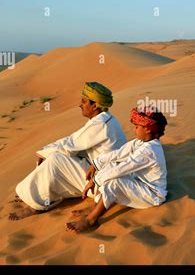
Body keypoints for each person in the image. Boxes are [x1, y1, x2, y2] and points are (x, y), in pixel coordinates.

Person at [9, 82, 126, 220]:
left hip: (102, 184)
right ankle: (31, 193)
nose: (80, 105)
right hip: (101, 174)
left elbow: (70, 144)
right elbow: (75, 143)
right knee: (58, 157)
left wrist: (43, 152)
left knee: (55, 160)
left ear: (95, 105)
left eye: (84, 101)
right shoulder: (107, 120)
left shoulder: (100, 124)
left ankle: (35, 205)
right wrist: (47, 151)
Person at [66, 106, 168, 234]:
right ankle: (96, 206)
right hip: (139, 183)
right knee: (112, 166)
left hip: (152, 194)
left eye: (137, 127)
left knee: (114, 181)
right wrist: (96, 164)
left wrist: (94, 180)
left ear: (147, 129)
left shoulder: (150, 151)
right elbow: (118, 154)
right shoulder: (140, 143)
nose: (134, 129)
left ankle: (91, 219)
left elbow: (123, 168)